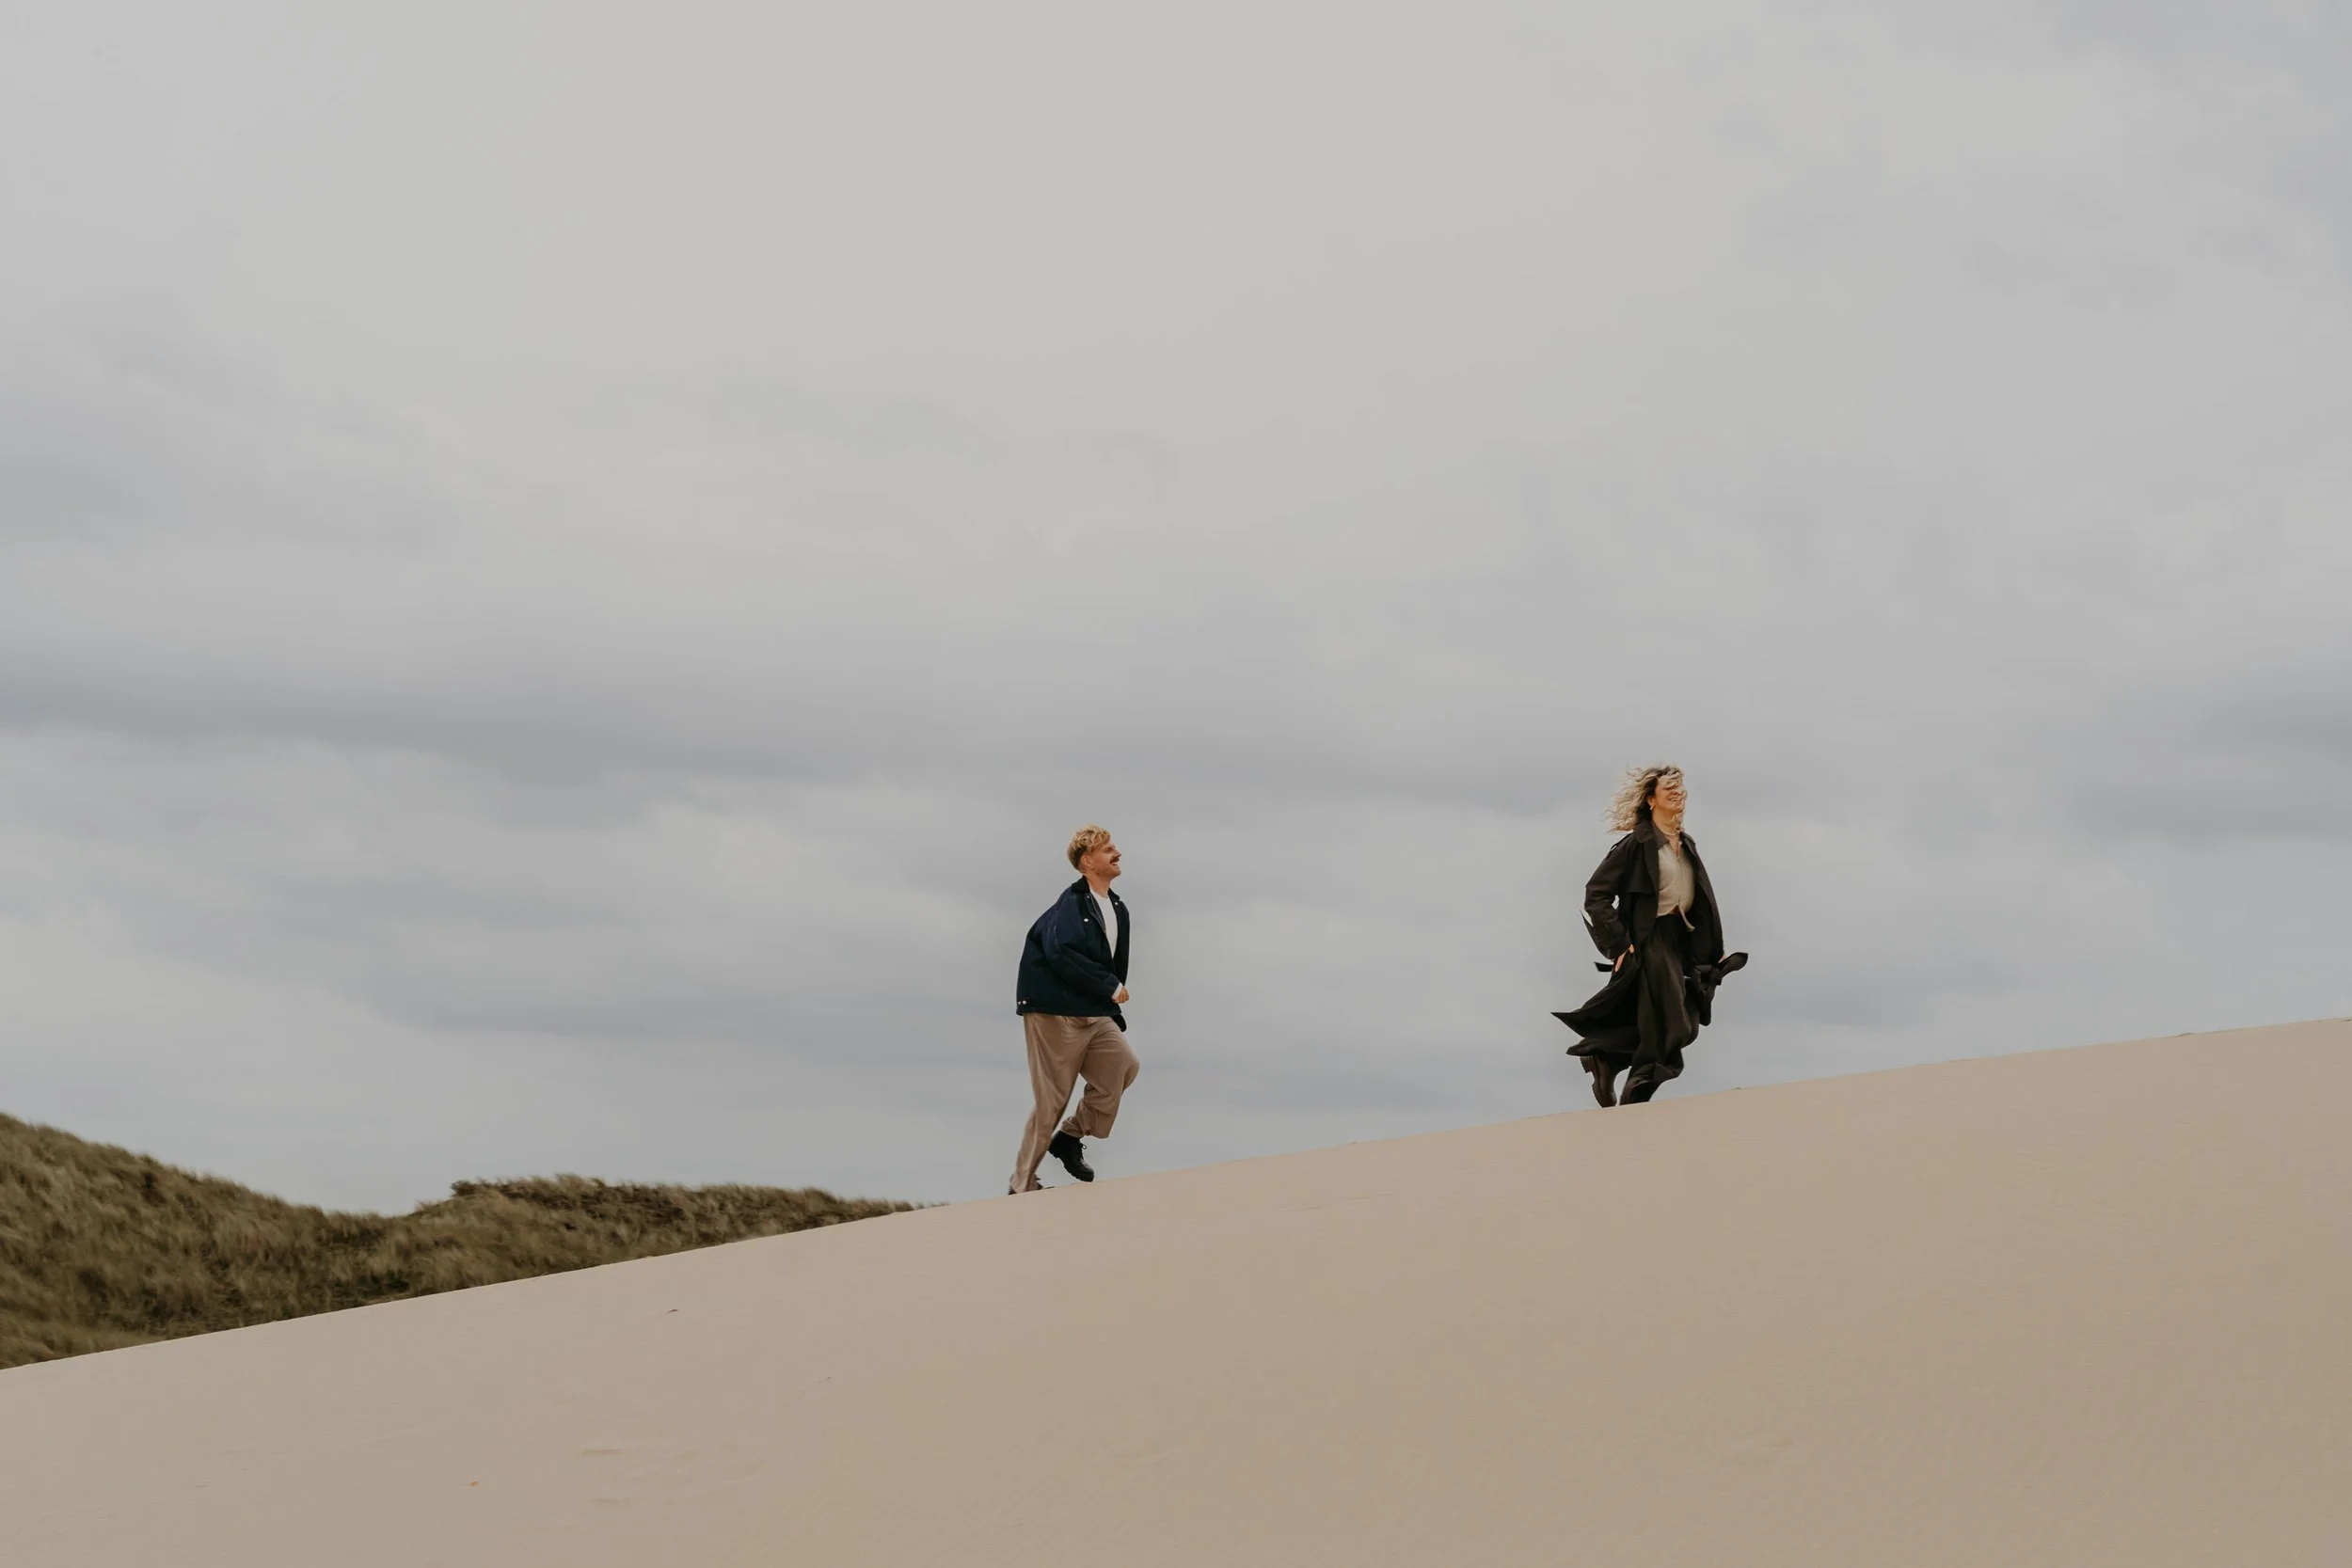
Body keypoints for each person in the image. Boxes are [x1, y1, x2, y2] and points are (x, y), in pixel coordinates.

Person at [1554, 765, 1745, 1106]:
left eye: (1680, 788)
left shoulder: (1685, 844)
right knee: (1670, 1023)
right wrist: (1620, 944)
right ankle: (1636, 1096)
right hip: (1648, 937)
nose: (1678, 793)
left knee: (1685, 1024)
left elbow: (1700, 901)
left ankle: (1605, 1057)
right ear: (1651, 799)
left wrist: (1710, 950)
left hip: (1680, 941)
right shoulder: (1636, 845)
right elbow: (1596, 894)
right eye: (1669, 789)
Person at [1009, 825, 1141, 1194]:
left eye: (1115, 847)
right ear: (1087, 861)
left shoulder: (1118, 907)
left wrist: (1108, 998)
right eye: (1107, 849)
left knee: (1124, 1065)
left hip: (1093, 1011)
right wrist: (1109, 986)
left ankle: (1068, 1137)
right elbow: (1060, 952)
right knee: (1052, 1098)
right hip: (1053, 1010)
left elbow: (1112, 964)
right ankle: (1021, 1185)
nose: (1117, 853)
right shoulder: (1071, 904)